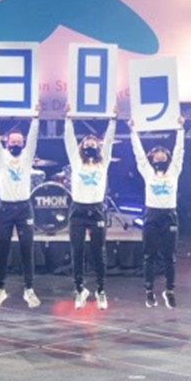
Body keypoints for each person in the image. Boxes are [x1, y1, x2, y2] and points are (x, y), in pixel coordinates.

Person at [0, 112, 40, 308]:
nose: (16, 144)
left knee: (27, 250)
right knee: (2, 251)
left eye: (19, 141)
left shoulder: (27, 157)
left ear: (23, 143)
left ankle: (29, 289)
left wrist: (35, 118)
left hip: (24, 209)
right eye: (13, 141)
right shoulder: (1, 158)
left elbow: (33, 139)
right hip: (6, 209)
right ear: (7, 142)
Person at [64, 116, 117, 309]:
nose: (90, 146)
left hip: (96, 210)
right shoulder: (77, 163)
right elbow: (69, 141)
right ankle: (79, 290)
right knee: (77, 252)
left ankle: (101, 290)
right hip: (78, 209)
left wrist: (112, 121)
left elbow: (109, 142)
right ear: (82, 146)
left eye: (94, 143)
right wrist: (68, 120)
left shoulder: (103, 164)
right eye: (87, 143)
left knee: (98, 252)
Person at [131, 123, 186, 308]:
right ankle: (149, 291)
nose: (161, 157)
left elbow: (180, 151)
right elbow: (138, 154)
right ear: (152, 158)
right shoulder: (148, 173)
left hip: (169, 215)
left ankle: (169, 290)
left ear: (167, 158)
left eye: (164, 155)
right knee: (150, 256)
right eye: (157, 155)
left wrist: (180, 129)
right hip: (152, 215)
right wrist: (133, 130)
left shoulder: (174, 172)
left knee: (169, 256)